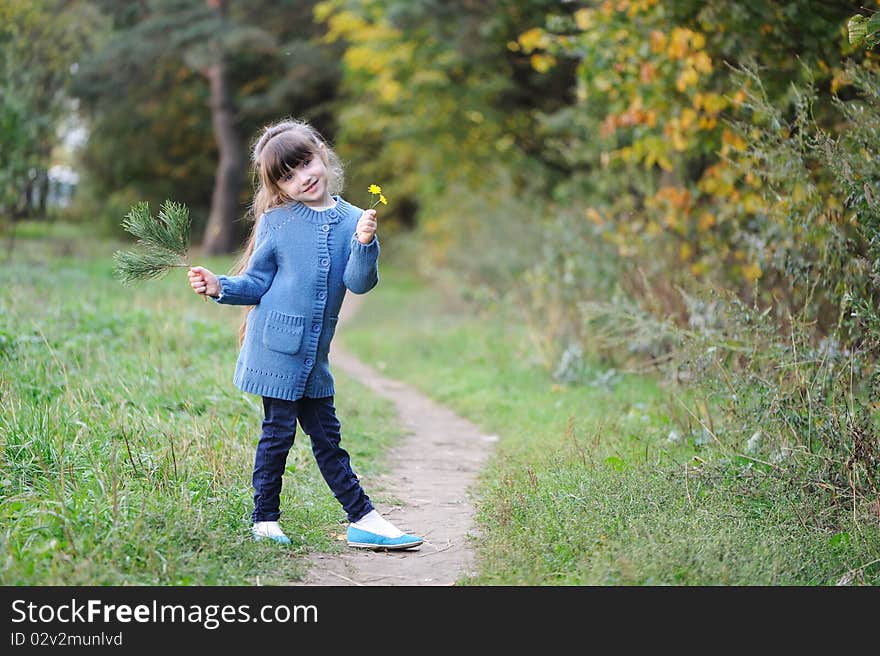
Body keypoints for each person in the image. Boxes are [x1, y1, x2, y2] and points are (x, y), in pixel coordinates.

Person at [186, 118, 423, 550]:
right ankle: (265, 519)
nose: (303, 178)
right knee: (277, 434)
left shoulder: (355, 219)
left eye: (305, 164)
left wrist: (366, 243)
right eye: (288, 176)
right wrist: (220, 286)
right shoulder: (277, 222)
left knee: (328, 438)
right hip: (275, 348)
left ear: (321, 153)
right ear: (278, 186)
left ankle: (363, 519)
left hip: (314, 358)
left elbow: (359, 282)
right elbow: (256, 284)